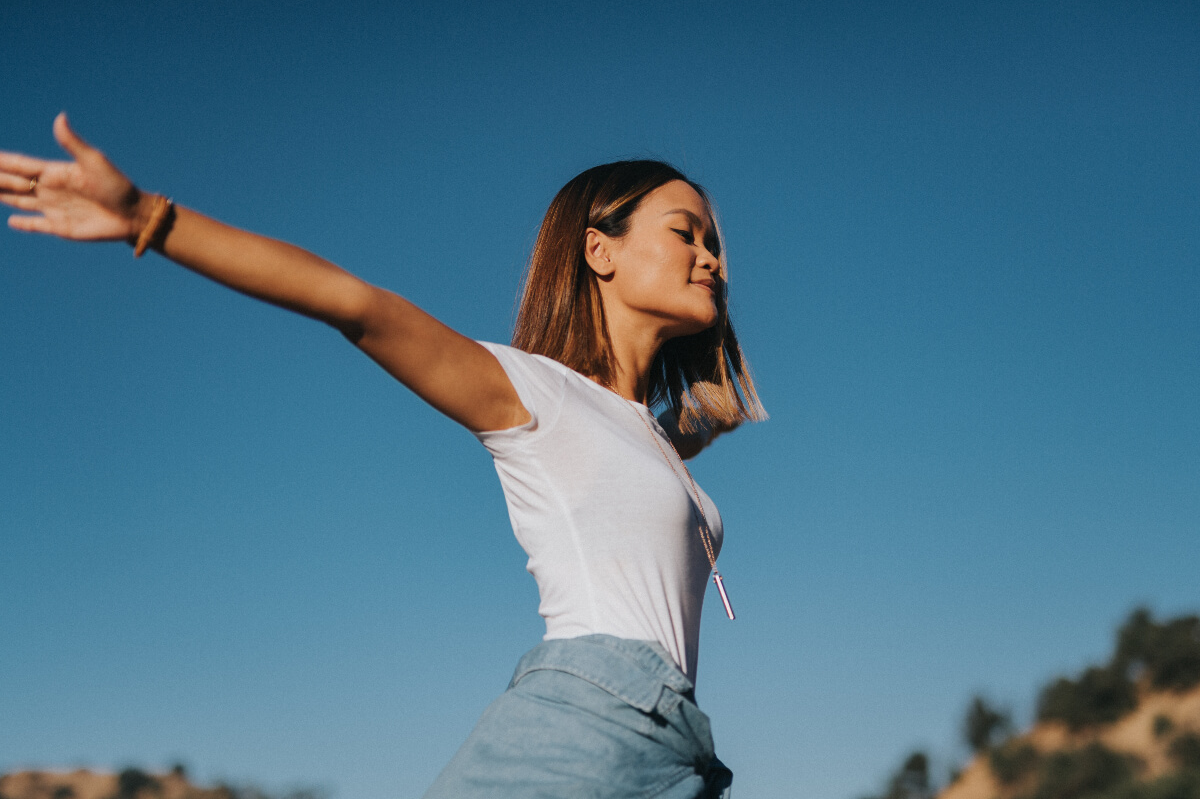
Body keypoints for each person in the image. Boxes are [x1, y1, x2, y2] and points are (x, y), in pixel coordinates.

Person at [1, 114, 766, 798]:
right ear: (599, 250)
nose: (710, 259)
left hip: (682, 751)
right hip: (596, 714)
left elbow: (646, 455)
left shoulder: (649, 436)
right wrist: (146, 217)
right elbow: (354, 305)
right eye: (684, 233)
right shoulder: (535, 394)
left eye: (713, 243)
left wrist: (706, 412)